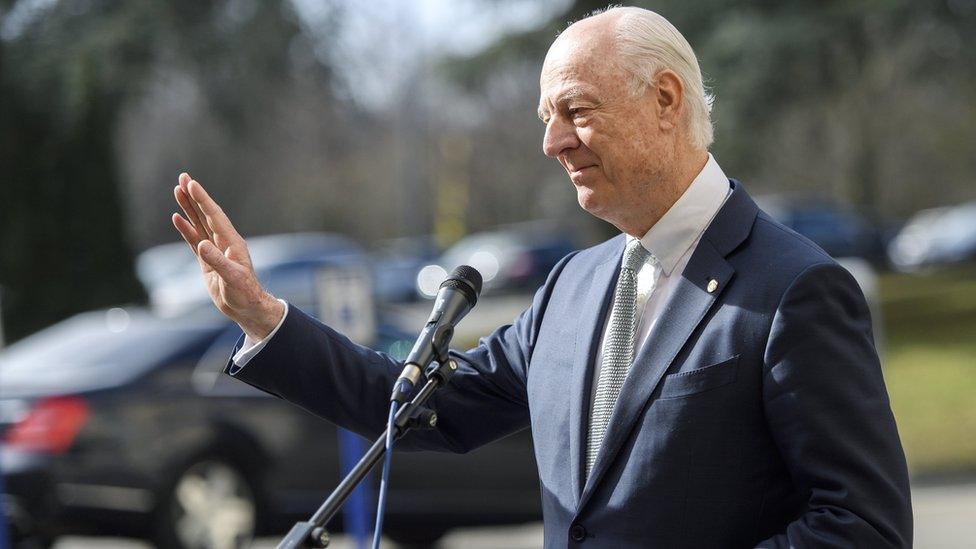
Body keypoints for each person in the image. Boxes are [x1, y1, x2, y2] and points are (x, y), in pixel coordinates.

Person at [172, 6, 912, 548]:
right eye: (544, 116)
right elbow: (422, 408)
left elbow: (862, 526)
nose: (552, 141)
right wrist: (265, 318)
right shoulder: (570, 287)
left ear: (664, 100)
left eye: (575, 111)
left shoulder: (795, 287)